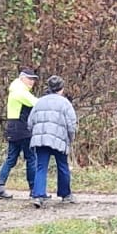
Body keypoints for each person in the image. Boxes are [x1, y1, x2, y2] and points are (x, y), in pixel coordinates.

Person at [28, 76, 77, 209]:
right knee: (62, 166)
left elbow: (30, 122)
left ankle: (38, 195)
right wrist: (71, 138)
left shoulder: (39, 102)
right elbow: (71, 124)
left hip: (41, 140)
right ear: (61, 88)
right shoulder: (65, 103)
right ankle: (65, 194)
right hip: (59, 140)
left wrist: (36, 134)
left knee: (41, 167)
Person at [0, 69, 39, 200]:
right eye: (30, 79)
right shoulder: (21, 91)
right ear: (22, 78)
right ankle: (33, 189)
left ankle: (0, 186)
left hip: (12, 128)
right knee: (31, 158)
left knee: (11, 158)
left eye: (33, 79)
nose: (32, 82)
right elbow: (36, 103)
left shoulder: (15, 89)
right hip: (23, 129)